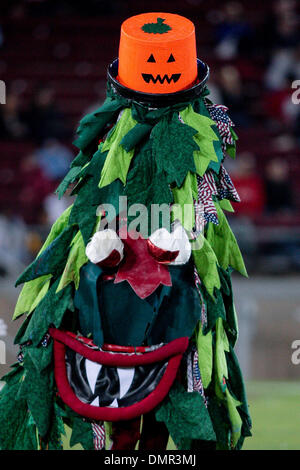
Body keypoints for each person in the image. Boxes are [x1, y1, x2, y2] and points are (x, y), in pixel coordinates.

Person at [0, 12, 251, 451]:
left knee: (175, 379)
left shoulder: (205, 134)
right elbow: (93, 199)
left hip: (177, 280)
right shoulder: (107, 138)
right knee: (107, 371)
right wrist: (103, 237)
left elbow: (205, 207)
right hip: (111, 274)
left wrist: (184, 236)